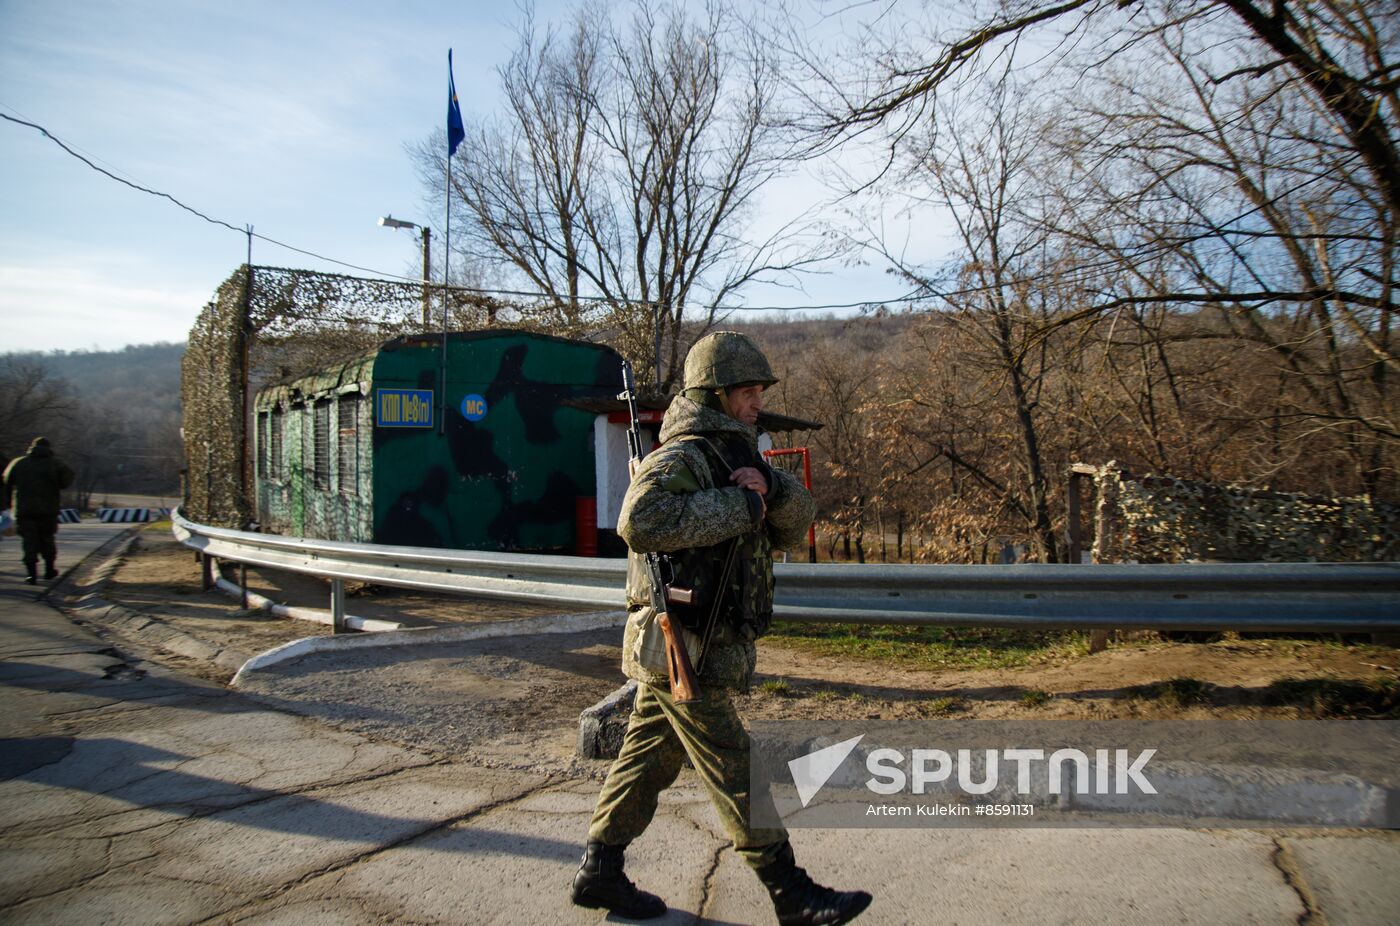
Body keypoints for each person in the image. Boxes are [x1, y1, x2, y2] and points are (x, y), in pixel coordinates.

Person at [571, 332, 871, 925]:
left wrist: (772, 490)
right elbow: (640, 518)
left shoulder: (739, 454)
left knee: (647, 758)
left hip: (697, 643)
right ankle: (791, 893)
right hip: (684, 643)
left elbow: (790, 527)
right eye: (747, 391)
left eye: (760, 390)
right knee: (735, 763)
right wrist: (740, 507)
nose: (758, 401)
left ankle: (600, 872)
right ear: (715, 394)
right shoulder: (685, 454)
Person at [2, 437, 75, 585]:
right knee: (47, 538)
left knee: (28, 541)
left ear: (32, 447)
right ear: (48, 448)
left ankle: (31, 574)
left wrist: (9, 501)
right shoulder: (56, 464)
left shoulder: (19, 463)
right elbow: (66, 481)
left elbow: (6, 480)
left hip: (24, 510)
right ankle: (49, 569)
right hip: (48, 510)